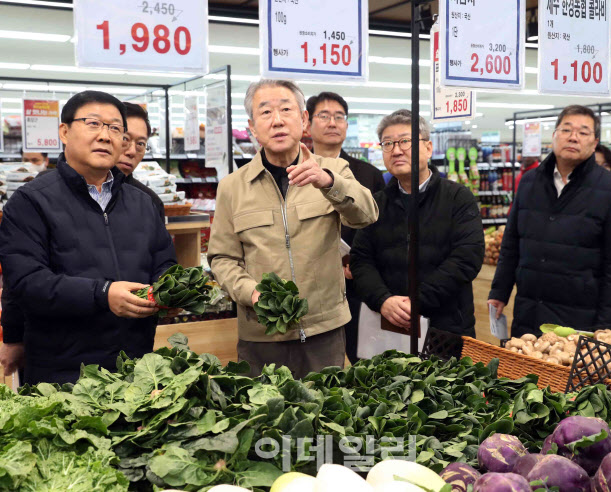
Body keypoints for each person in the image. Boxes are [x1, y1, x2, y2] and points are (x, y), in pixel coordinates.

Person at [0, 90, 177, 385]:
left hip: (135, 371)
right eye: (93, 123)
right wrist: (103, 294)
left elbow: (164, 263)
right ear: (64, 132)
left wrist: (170, 292)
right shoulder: (31, 201)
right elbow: (26, 283)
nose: (106, 136)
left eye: (115, 128)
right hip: (61, 376)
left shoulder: (144, 203)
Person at [207, 79, 378, 378]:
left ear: (303, 120)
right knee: (262, 419)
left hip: (324, 330)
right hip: (261, 335)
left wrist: (328, 182)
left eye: (286, 109)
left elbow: (366, 215)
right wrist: (252, 293)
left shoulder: (333, 170)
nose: (277, 120)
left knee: (326, 417)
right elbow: (222, 258)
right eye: (266, 112)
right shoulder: (232, 187)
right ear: (251, 127)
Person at [488, 105, 611, 337]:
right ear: (554, 135)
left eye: (583, 132)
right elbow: (511, 244)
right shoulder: (529, 183)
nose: (573, 137)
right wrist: (499, 291)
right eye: (566, 129)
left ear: (594, 142)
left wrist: (607, 329)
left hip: (579, 322)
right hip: (529, 315)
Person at [350, 109, 484, 346]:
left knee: (446, 382)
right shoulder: (376, 204)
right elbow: (361, 260)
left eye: (405, 141)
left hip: (446, 326)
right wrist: (383, 300)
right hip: (388, 324)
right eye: (388, 143)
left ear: (428, 148)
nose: (397, 150)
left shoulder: (457, 198)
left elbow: (466, 258)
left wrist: (416, 301)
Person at [306, 91, 385, 364]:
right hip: (310, 287)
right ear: (308, 124)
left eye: (339, 117)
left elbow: (377, 225)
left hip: (358, 284)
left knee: (364, 362)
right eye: (324, 116)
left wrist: (358, 262)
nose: (332, 123)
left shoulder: (368, 174)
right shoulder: (296, 172)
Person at [117, 102, 165, 221]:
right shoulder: (70, 193)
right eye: (125, 139)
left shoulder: (150, 202)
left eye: (140, 144)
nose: (132, 151)